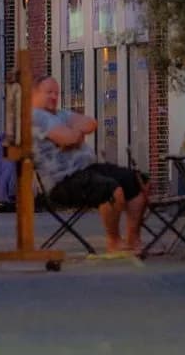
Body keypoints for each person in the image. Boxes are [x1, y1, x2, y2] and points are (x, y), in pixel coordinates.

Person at [32, 75, 146, 254]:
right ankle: (114, 241)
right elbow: (68, 137)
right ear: (34, 94)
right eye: (49, 93)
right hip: (63, 181)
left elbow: (91, 123)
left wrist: (72, 135)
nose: (54, 97)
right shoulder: (36, 117)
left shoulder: (59, 114)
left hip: (86, 169)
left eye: (57, 93)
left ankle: (133, 239)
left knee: (138, 181)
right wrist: (73, 135)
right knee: (112, 190)